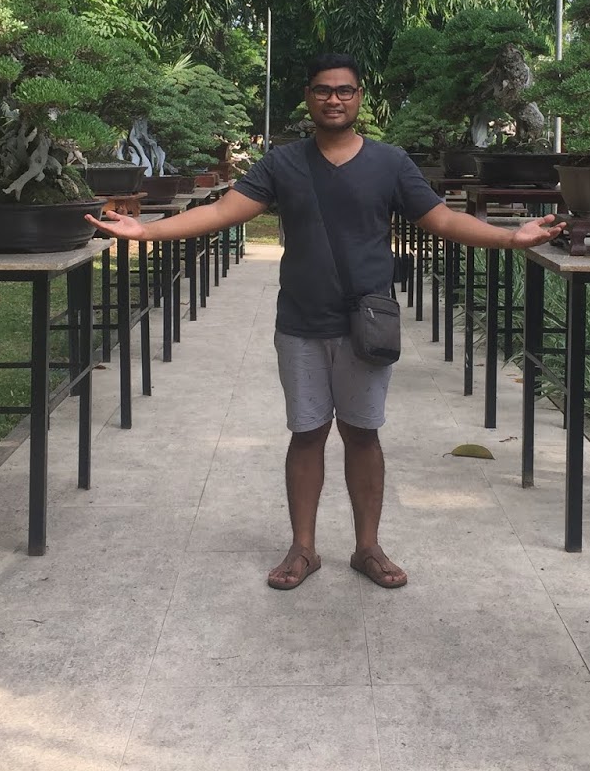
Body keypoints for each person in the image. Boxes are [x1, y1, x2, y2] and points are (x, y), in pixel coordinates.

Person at [89, 53, 564, 591]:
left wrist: (510, 237)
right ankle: (303, 549)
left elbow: (442, 220)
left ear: (359, 97)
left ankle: (368, 547)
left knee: (363, 434)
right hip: (301, 322)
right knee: (307, 433)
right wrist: (148, 231)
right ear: (308, 98)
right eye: (322, 90)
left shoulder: (390, 163)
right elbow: (222, 211)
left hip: (367, 322)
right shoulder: (282, 163)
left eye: (344, 90)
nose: (333, 99)